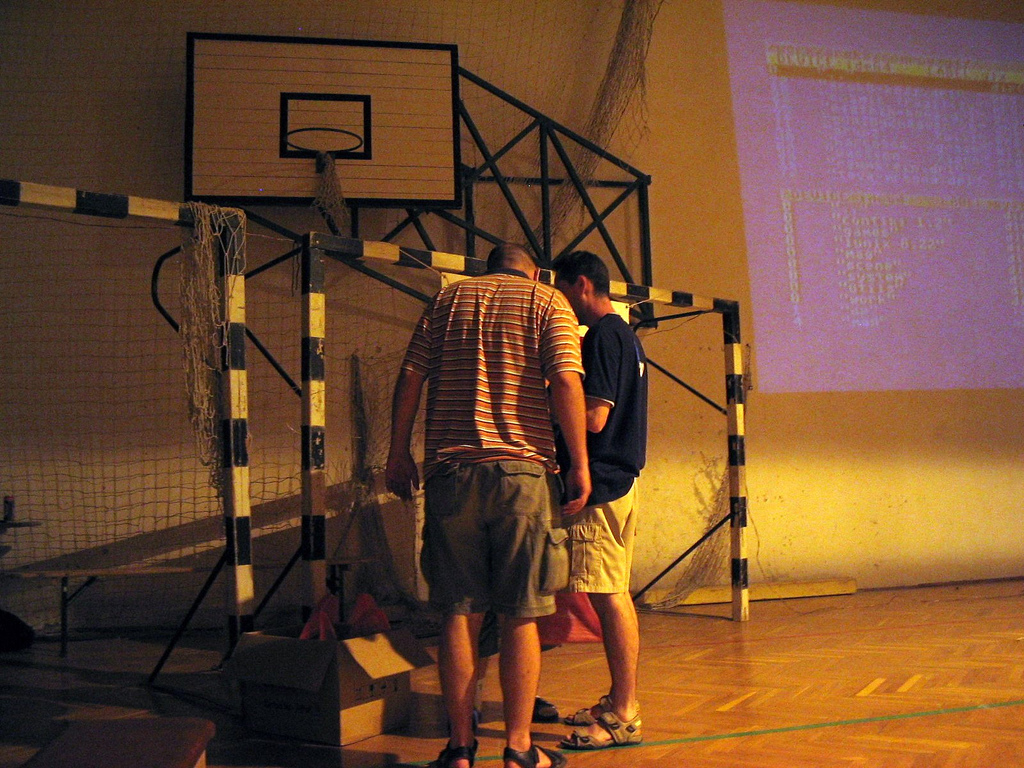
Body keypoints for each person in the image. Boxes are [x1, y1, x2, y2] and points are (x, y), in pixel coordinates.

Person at [386, 242, 591, 768]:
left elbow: (410, 376)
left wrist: (397, 451)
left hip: (452, 473)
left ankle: (459, 747)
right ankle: (519, 748)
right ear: (534, 272)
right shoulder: (547, 301)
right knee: (522, 613)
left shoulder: (446, 301)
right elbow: (566, 381)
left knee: (459, 613)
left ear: (487, 269)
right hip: (523, 473)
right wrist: (579, 464)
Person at [550, 250, 648, 751]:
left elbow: (593, 418)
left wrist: (552, 395)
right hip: (619, 482)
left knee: (609, 596)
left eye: (564, 292)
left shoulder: (604, 335)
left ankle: (624, 713)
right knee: (613, 593)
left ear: (582, 284)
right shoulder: (625, 336)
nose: (561, 303)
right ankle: (618, 701)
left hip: (603, 485)